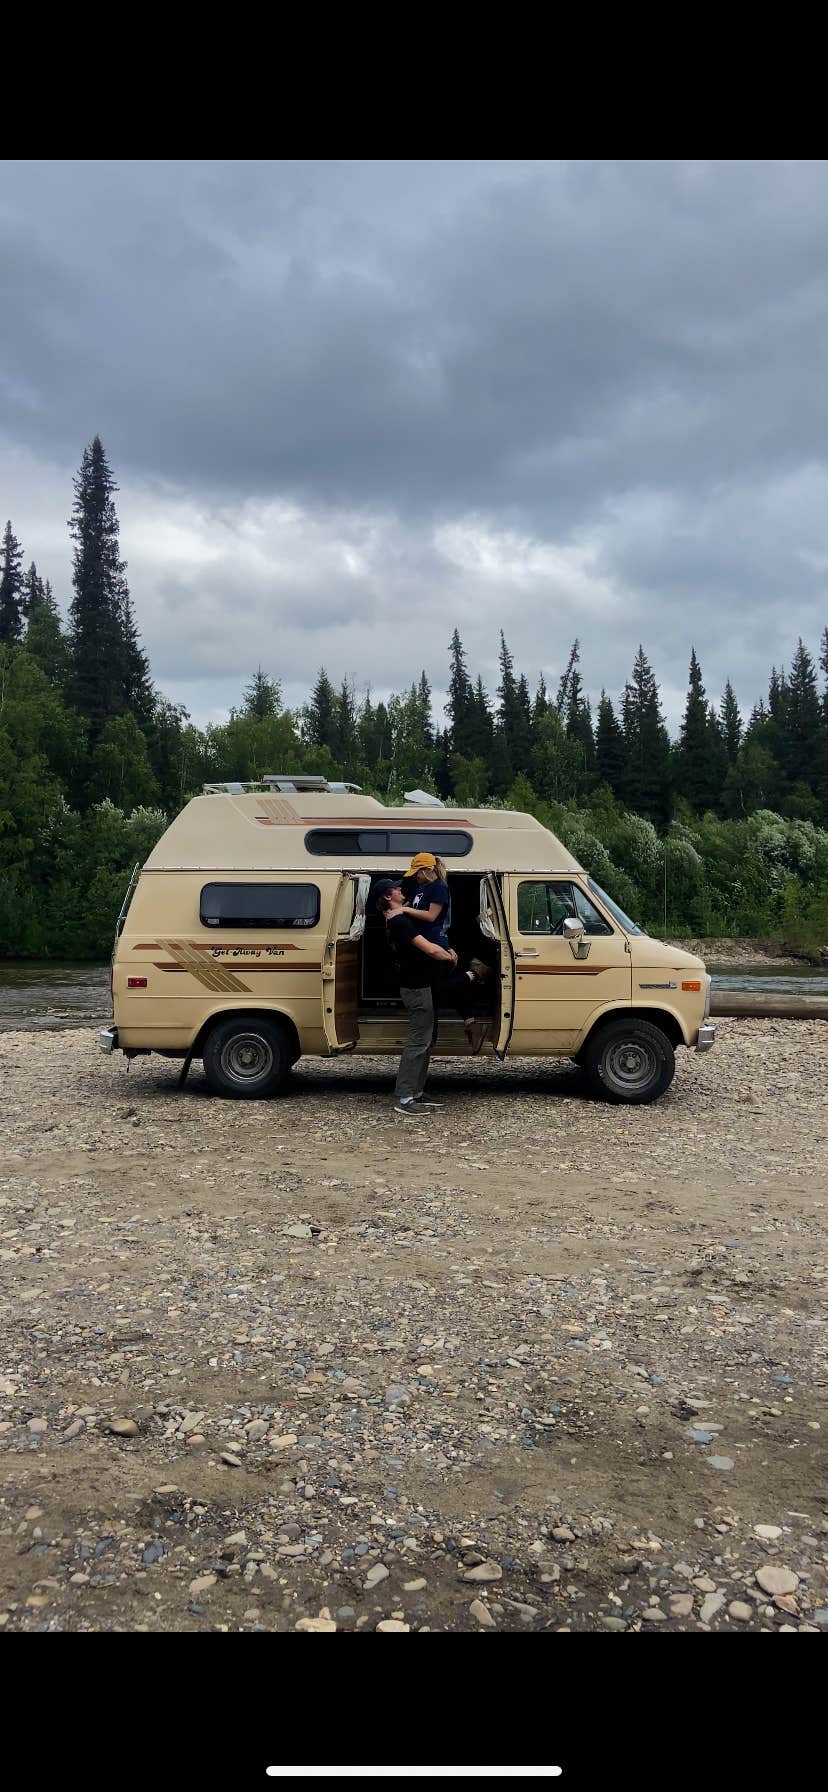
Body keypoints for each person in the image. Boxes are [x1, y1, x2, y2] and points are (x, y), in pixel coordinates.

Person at [374, 878, 493, 1115]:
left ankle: (417, 1092)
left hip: (420, 985)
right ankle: (405, 1098)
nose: (401, 890)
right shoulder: (398, 922)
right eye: (396, 889)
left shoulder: (400, 919)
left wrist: (446, 950)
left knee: (426, 1040)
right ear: (388, 897)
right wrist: (448, 956)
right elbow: (428, 948)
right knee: (418, 1043)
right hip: (416, 989)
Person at [398, 852, 451, 950]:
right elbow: (408, 904)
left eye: (416, 872)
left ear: (427, 870)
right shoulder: (420, 887)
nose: (414, 875)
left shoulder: (439, 887)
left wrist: (405, 909)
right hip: (420, 939)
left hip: (433, 941)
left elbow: (431, 916)